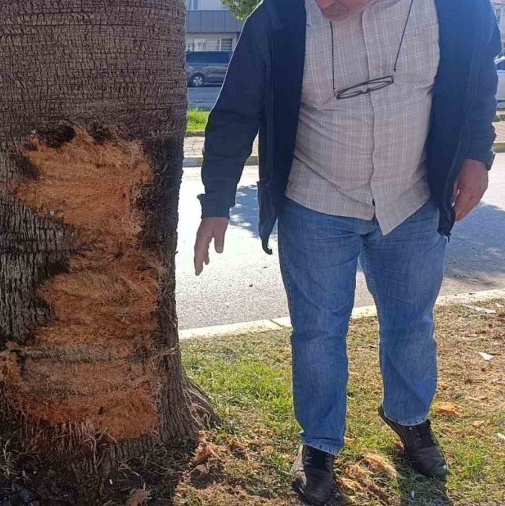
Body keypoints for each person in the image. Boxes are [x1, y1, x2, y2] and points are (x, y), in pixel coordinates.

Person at [193, 0, 497, 503]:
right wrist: (217, 204)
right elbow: (235, 113)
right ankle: (318, 445)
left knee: (411, 323)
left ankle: (409, 418)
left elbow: (478, 79)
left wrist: (476, 155)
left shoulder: (456, 9)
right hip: (315, 201)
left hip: (414, 199)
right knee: (317, 332)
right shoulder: (279, 20)